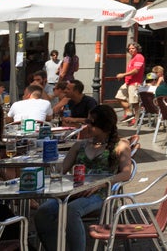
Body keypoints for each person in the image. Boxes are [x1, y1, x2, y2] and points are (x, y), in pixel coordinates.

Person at [35, 105, 133, 251]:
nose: (86, 125)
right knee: (42, 211)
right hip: (74, 191)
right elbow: (61, 170)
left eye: (91, 122)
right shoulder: (80, 145)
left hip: (101, 194)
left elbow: (126, 173)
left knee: (71, 211)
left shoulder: (120, 144)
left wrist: (101, 183)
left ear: (104, 125)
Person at [114, 42, 145, 124]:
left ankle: (136, 120)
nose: (131, 50)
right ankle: (129, 113)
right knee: (119, 96)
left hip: (134, 83)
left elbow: (136, 71)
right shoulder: (133, 58)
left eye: (133, 48)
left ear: (137, 49)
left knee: (135, 103)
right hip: (128, 82)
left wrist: (123, 75)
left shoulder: (139, 57)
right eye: (129, 49)